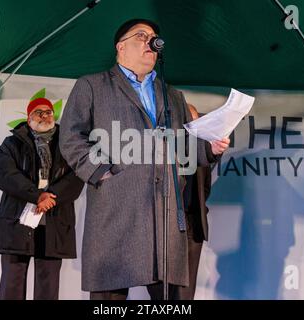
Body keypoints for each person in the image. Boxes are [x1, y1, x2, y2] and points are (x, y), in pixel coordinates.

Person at [59, 18, 230, 300]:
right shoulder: (92, 86)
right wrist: (102, 172)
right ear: (120, 47)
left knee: (170, 301)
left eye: (153, 37)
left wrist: (210, 149)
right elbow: (70, 137)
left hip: (163, 216)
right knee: (109, 300)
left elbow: (185, 146)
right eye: (141, 36)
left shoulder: (173, 95)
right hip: (115, 214)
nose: (151, 41)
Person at [0, 97, 84, 300]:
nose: (44, 116)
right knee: (11, 284)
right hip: (17, 222)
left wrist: (51, 197)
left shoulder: (67, 144)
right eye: (38, 112)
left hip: (54, 221)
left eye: (48, 112)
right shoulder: (12, 143)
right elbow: (5, 175)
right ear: (29, 117)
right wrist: (37, 195)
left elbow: (76, 177)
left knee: (48, 286)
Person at [175, 104, 229, 300]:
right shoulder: (167, 148)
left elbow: (206, 181)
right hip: (167, 224)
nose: (194, 128)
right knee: (165, 292)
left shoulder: (203, 150)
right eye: (190, 124)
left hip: (193, 226)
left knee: (186, 294)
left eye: (197, 124)